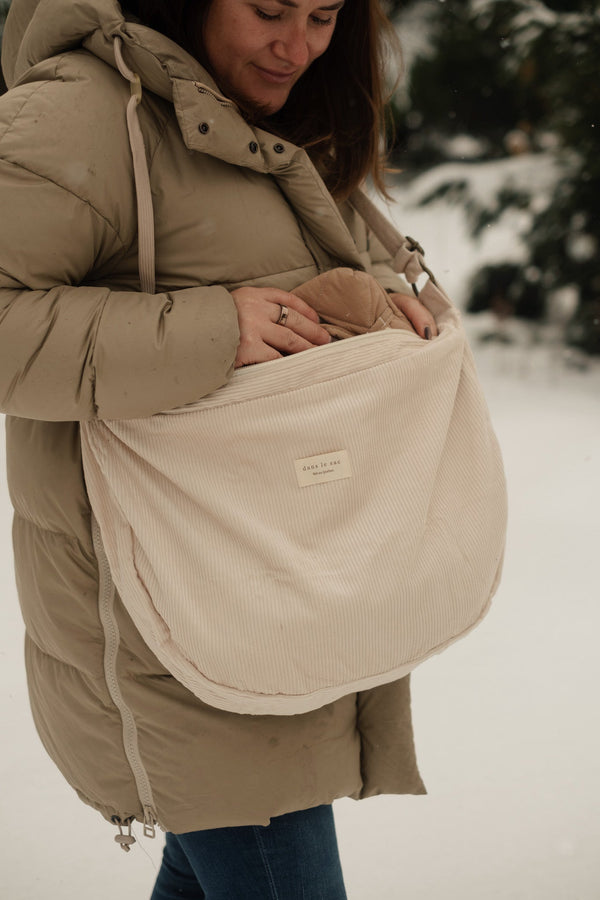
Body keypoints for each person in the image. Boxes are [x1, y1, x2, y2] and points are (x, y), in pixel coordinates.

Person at [0, 0, 433, 895]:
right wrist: (206, 331)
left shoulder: (253, 109)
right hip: (170, 616)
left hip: (273, 586)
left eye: (322, 15)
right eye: (269, 8)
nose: (296, 46)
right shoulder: (80, 111)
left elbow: (304, 260)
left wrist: (383, 300)